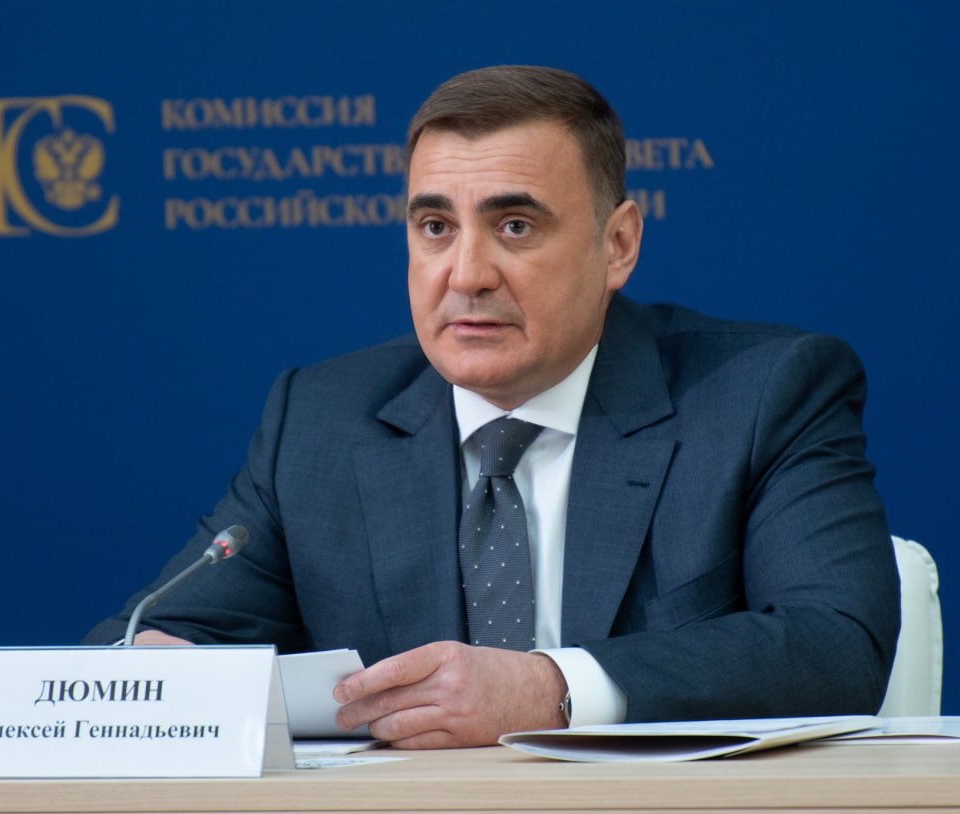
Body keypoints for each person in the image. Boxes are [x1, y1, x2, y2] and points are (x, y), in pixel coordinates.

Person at [85, 65, 900, 749]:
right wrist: (155, 672)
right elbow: (146, 642)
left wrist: (551, 688)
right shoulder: (322, 421)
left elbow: (837, 645)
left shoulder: (761, 393)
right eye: (435, 226)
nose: (467, 273)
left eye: (514, 225)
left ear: (617, 244)